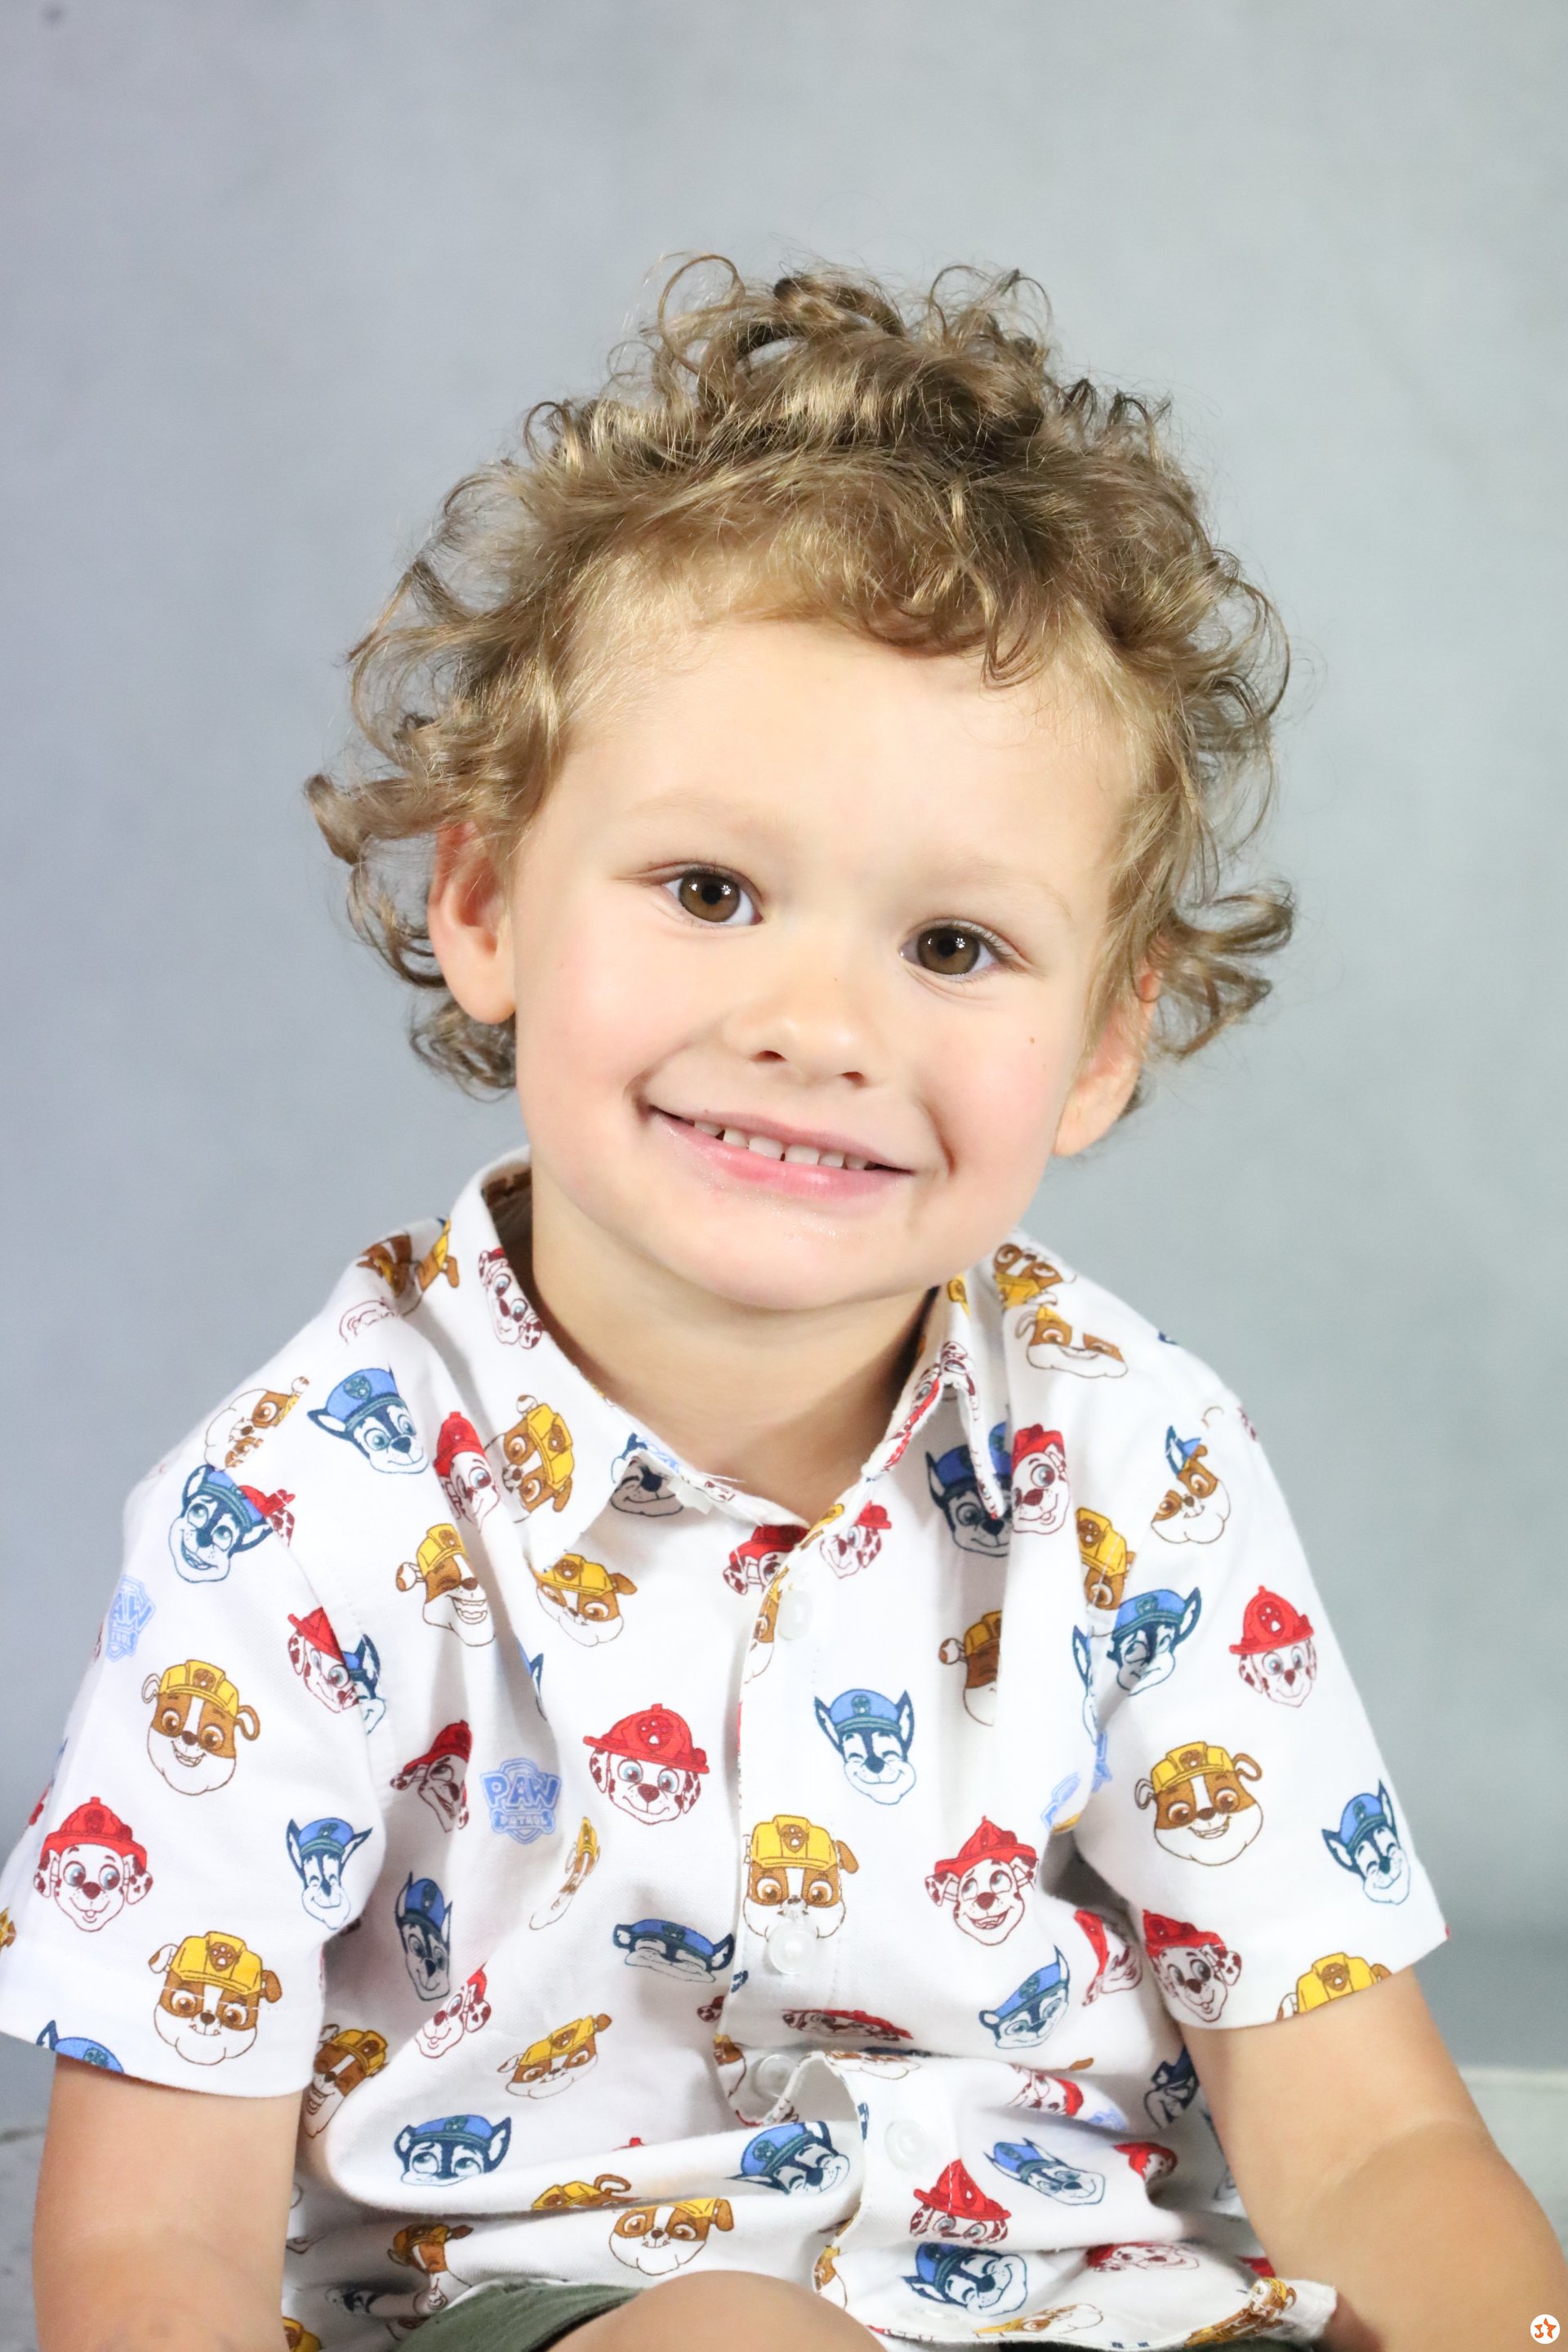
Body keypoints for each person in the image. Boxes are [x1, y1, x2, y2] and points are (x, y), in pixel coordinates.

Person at [4, 261, 1562, 2352]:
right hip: (576, 2302)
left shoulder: (1134, 1454)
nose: (818, 1024)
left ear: (1103, 1046)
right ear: (483, 901)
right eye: (712, 892)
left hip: (1090, 2309)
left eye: (953, 945)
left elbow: (1368, 2140)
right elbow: (150, 2248)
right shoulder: (300, 1515)